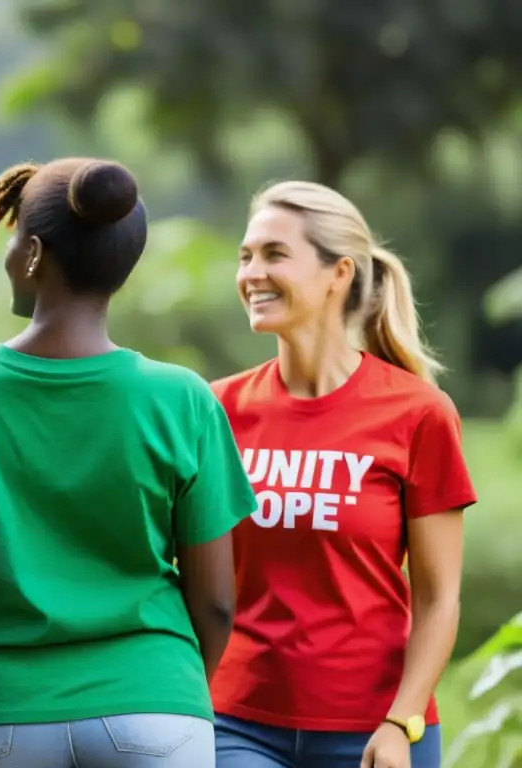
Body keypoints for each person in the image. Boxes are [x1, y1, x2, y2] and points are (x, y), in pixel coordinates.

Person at [0, 157, 258, 768]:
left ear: (34, 253)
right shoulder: (182, 399)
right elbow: (217, 603)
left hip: (0, 709)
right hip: (155, 698)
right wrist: (161, 684)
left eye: (14, 233)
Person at [211, 181, 477, 768]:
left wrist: (400, 721)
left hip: (376, 728)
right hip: (235, 723)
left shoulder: (418, 415)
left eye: (275, 255)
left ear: (339, 274)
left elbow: (439, 599)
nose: (252, 273)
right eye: (246, 256)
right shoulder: (217, 410)